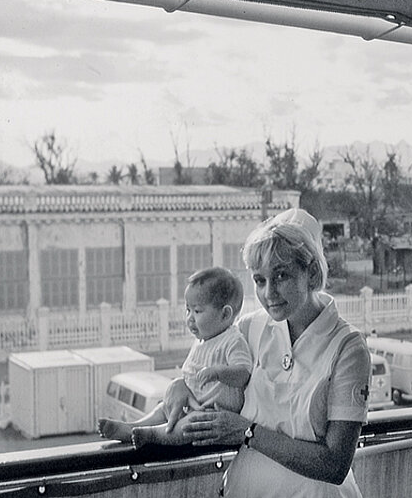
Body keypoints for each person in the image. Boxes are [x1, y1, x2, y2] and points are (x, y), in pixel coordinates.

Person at [166, 208, 372, 497]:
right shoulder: (250, 329)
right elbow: (204, 369)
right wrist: (178, 385)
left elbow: (335, 464)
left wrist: (248, 432)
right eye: (260, 280)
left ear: (311, 273)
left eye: (281, 275)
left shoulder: (347, 348)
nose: (269, 293)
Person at [97, 266, 252, 448]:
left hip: (213, 414)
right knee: (163, 408)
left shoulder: (232, 340)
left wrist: (218, 372)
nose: (190, 318)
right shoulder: (202, 341)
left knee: (190, 426)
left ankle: (155, 434)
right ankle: (133, 427)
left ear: (225, 314)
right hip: (191, 404)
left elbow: (243, 373)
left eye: (197, 311)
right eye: (188, 310)